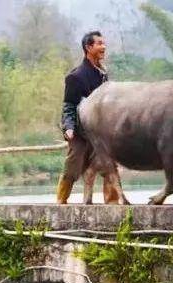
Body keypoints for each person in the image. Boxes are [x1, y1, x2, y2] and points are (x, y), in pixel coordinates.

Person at [57, 31, 124, 204]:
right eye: (99, 44)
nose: (104, 47)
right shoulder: (75, 77)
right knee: (73, 167)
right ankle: (60, 202)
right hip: (81, 131)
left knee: (110, 166)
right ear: (88, 47)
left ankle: (112, 205)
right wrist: (69, 127)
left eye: (104, 43)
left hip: (100, 134)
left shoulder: (103, 75)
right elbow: (69, 105)